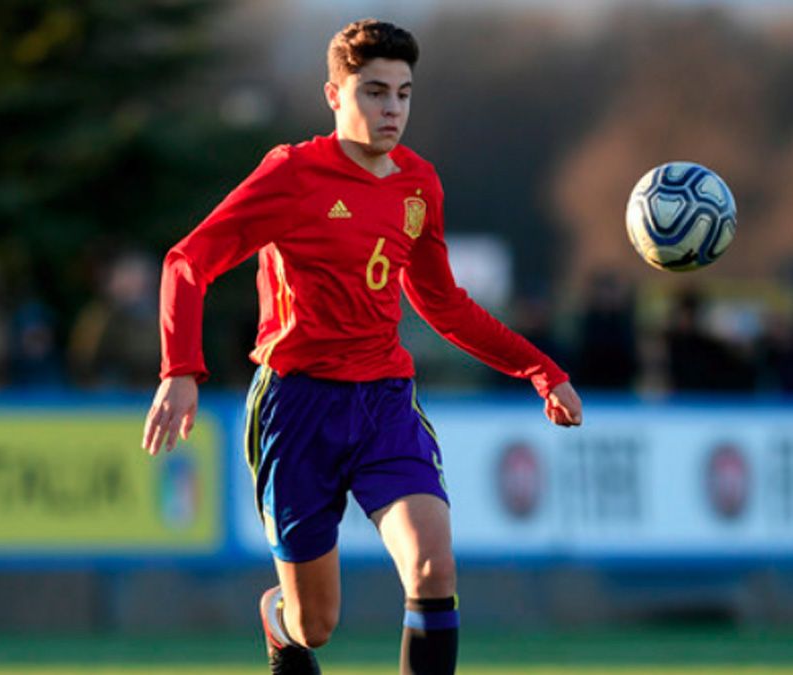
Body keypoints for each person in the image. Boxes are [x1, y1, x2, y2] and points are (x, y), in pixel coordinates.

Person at [141, 19, 582, 675]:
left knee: (433, 562)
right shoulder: (292, 175)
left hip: (384, 404)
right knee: (314, 625)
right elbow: (188, 261)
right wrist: (179, 369)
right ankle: (279, 621)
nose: (392, 109)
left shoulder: (418, 183)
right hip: (297, 409)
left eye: (404, 94)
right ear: (334, 94)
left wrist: (540, 370)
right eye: (375, 92)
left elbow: (443, 303)